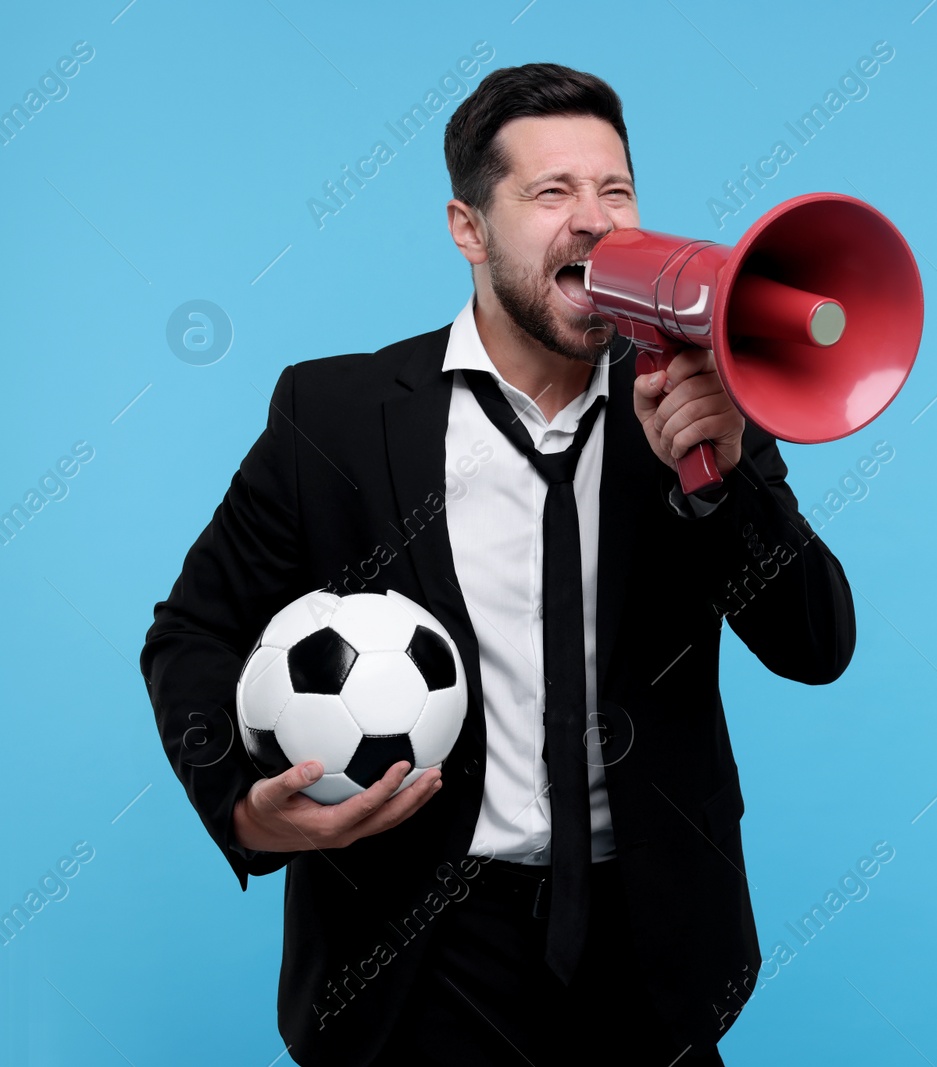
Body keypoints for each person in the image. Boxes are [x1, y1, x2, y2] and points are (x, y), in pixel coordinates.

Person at [139, 62, 855, 1066]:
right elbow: (193, 631)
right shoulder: (335, 417)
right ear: (466, 227)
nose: (595, 221)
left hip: (649, 950)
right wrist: (245, 809)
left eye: (615, 190)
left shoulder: (697, 399)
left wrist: (718, 484)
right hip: (418, 956)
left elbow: (815, 643)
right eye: (550, 192)